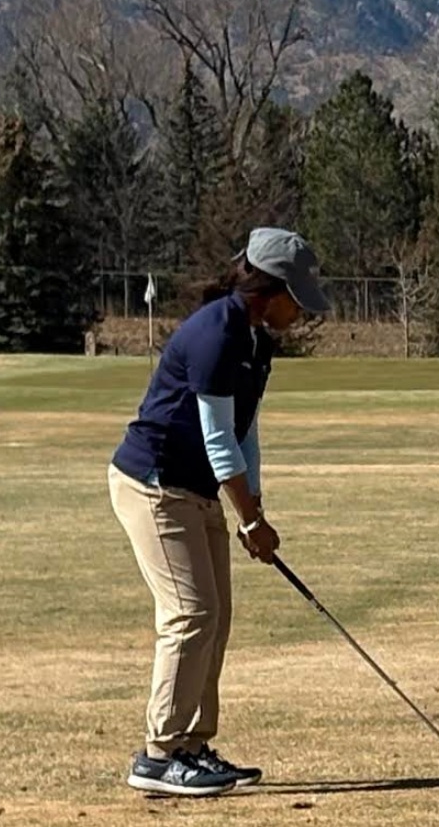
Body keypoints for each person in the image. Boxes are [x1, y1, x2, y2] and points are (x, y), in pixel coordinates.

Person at [108, 228, 330, 797]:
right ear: (269, 289)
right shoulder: (215, 333)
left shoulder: (258, 342)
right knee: (190, 612)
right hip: (154, 483)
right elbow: (216, 439)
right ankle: (160, 754)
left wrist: (253, 511)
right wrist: (251, 521)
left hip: (198, 489)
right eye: (296, 298)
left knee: (216, 615)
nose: (301, 311)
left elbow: (244, 433)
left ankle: (192, 746)